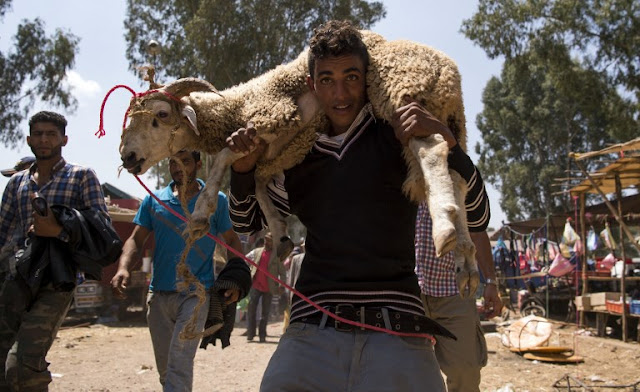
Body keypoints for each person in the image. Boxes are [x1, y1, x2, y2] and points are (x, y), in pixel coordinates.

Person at [226, 20, 490, 391]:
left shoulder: (400, 141)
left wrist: (449, 144)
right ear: (310, 84)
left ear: (368, 78)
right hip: (311, 327)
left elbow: (476, 214)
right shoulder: (296, 158)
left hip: (398, 327)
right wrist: (242, 170)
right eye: (327, 80)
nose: (340, 93)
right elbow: (247, 222)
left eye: (351, 77)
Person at [111, 150, 244, 392]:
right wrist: (123, 269)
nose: (177, 167)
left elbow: (232, 241)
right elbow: (135, 239)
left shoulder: (215, 200)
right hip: (159, 296)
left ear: (198, 164)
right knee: (166, 370)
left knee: (179, 365)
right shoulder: (154, 200)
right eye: (172, 162)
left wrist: (236, 277)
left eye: (185, 161)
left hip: (196, 296)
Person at [0, 111, 110, 390]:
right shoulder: (17, 183)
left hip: (58, 280)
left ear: (64, 138)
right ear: (28, 139)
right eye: (38, 134)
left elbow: (102, 233)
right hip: (18, 277)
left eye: (51, 134)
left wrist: (58, 231)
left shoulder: (81, 177)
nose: (44, 139)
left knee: (24, 361)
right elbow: (3, 234)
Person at [416, 202, 500, 392]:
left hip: (454, 291)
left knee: (465, 373)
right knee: (405, 373)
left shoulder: (463, 177)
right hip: (408, 293)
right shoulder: (396, 176)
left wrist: (491, 283)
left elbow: (477, 233)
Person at [243, 232, 286, 343]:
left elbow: (283, 272)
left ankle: (262, 335)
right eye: (266, 239)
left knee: (265, 313)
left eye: (269, 240)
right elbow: (245, 260)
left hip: (269, 288)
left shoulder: (277, 256)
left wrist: (282, 285)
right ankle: (251, 334)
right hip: (255, 286)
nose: (267, 242)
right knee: (251, 310)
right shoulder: (257, 252)